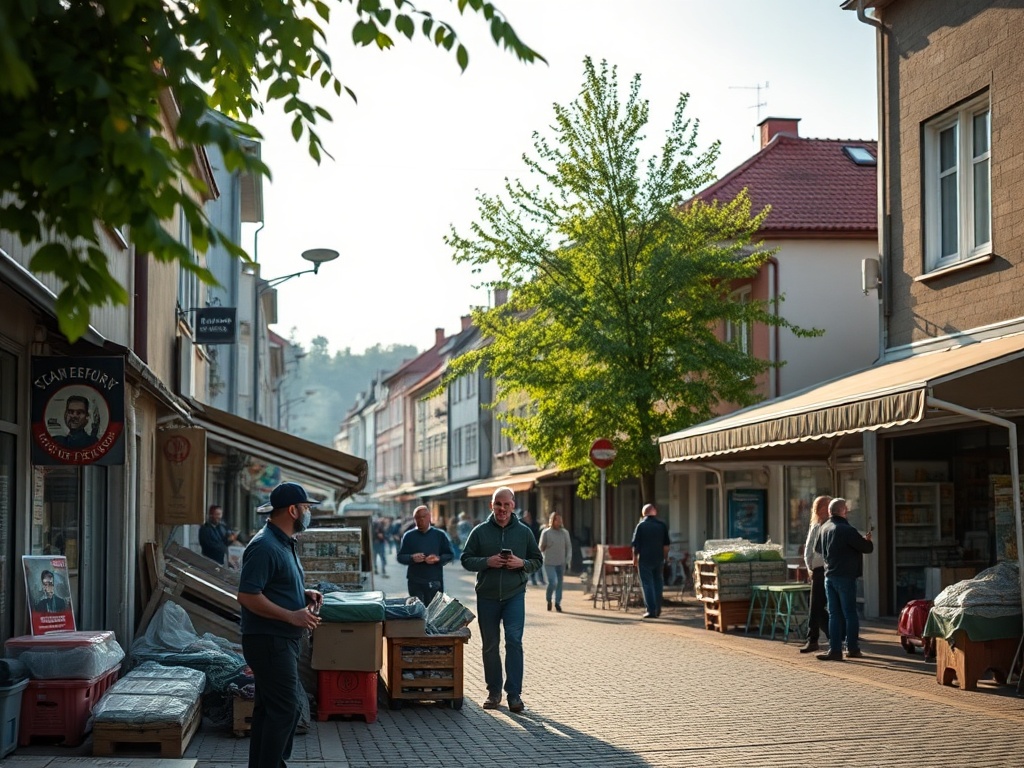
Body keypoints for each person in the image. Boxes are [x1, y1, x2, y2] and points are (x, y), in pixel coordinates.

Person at [236, 482, 323, 768]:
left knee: (269, 710)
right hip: (270, 641)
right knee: (286, 710)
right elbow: (248, 595)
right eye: (306, 508)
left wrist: (302, 594)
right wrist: (291, 615)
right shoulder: (265, 546)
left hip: (280, 641)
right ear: (293, 510)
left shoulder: (284, 542)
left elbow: (272, 585)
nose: (308, 513)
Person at [461, 486, 542, 713]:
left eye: (507, 504)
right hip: (487, 596)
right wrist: (486, 562)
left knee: (514, 642)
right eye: (498, 504)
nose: (502, 509)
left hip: (514, 595)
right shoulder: (479, 531)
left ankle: (514, 695)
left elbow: (537, 560)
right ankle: (493, 692)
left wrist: (522, 564)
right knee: (490, 645)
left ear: (513, 505)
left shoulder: (524, 532)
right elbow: (466, 559)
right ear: (492, 505)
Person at [815, 497, 873, 662]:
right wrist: (867, 541)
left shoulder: (824, 528)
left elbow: (818, 549)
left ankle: (834, 650)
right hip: (846, 576)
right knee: (849, 613)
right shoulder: (847, 530)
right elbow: (866, 548)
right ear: (844, 511)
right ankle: (852, 648)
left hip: (829, 576)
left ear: (829, 511)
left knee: (834, 614)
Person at [397, 505, 454, 607]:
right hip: (415, 580)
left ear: (429, 517)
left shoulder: (439, 535)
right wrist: (412, 558)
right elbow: (400, 557)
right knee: (418, 610)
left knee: (434, 610)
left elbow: (450, 555)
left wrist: (438, 559)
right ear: (414, 519)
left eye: (423, 517)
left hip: (434, 580)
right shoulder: (408, 536)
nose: (421, 520)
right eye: (417, 518)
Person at [799, 495, 831, 653]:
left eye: (822, 506)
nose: (819, 510)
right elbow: (808, 549)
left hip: (828, 569)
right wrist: (810, 568)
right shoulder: (816, 525)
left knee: (818, 605)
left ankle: (817, 638)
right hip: (818, 570)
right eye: (818, 507)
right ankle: (822, 636)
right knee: (815, 605)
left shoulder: (831, 525)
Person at [631, 503, 670, 619]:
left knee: (647, 584)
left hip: (645, 559)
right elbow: (666, 545)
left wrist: (634, 558)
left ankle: (651, 610)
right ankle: (657, 608)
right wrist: (665, 557)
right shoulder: (662, 526)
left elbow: (635, 545)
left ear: (643, 513)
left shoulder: (641, 526)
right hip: (658, 558)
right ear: (655, 512)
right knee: (658, 583)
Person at [538, 511, 572, 612]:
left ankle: (557, 603)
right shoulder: (546, 532)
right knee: (553, 582)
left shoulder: (564, 533)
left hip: (561, 562)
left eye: (560, 520)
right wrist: (544, 547)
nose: (559, 522)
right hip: (549, 562)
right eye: (557, 520)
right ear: (552, 521)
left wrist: (568, 560)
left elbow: (569, 547)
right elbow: (540, 547)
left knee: (560, 583)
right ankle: (549, 599)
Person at [520, 509, 546, 585]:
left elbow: (538, 534)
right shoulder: (521, 523)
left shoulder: (535, 524)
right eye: (525, 515)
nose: (527, 516)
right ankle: (533, 579)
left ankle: (541, 580)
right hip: (525, 547)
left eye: (528, 515)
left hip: (535, 546)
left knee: (537, 562)